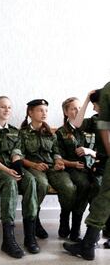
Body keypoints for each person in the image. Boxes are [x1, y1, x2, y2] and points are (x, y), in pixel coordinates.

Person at [0, 96, 39, 258]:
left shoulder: (14, 131)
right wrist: (7, 170)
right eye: (3, 107)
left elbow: (16, 154)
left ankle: (30, 236)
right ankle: (8, 240)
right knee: (10, 182)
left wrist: (16, 167)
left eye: (9, 107)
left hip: (10, 167)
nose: (6, 110)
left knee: (30, 180)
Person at [64, 82, 110, 260]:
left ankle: (88, 246)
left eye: (95, 104)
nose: (93, 107)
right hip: (102, 166)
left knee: (102, 201)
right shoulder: (97, 120)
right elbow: (76, 123)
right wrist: (85, 99)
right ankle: (88, 244)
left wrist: (93, 152)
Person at [20, 99, 76, 240]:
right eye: (40, 110)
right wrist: (34, 165)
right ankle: (35, 220)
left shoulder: (50, 133)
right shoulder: (22, 133)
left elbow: (56, 152)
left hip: (51, 168)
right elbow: (19, 157)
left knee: (68, 187)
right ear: (30, 113)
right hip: (33, 167)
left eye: (46, 110)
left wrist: (58, 162)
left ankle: (64, 220)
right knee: (42, 184)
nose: (44, 113)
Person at [55, 97, 97, 242]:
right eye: (73, 108)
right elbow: (57, 157)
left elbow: (100, 153)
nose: (77, 111)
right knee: (83, 184)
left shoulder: (90, 129)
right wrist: (72, 164)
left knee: (93, 186)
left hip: (91, 169)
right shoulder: (61, 132)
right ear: (66, 112)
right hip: (70, 169)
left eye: (79, 108)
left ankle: (77, 228)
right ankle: (67, 219)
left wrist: (88, 151)